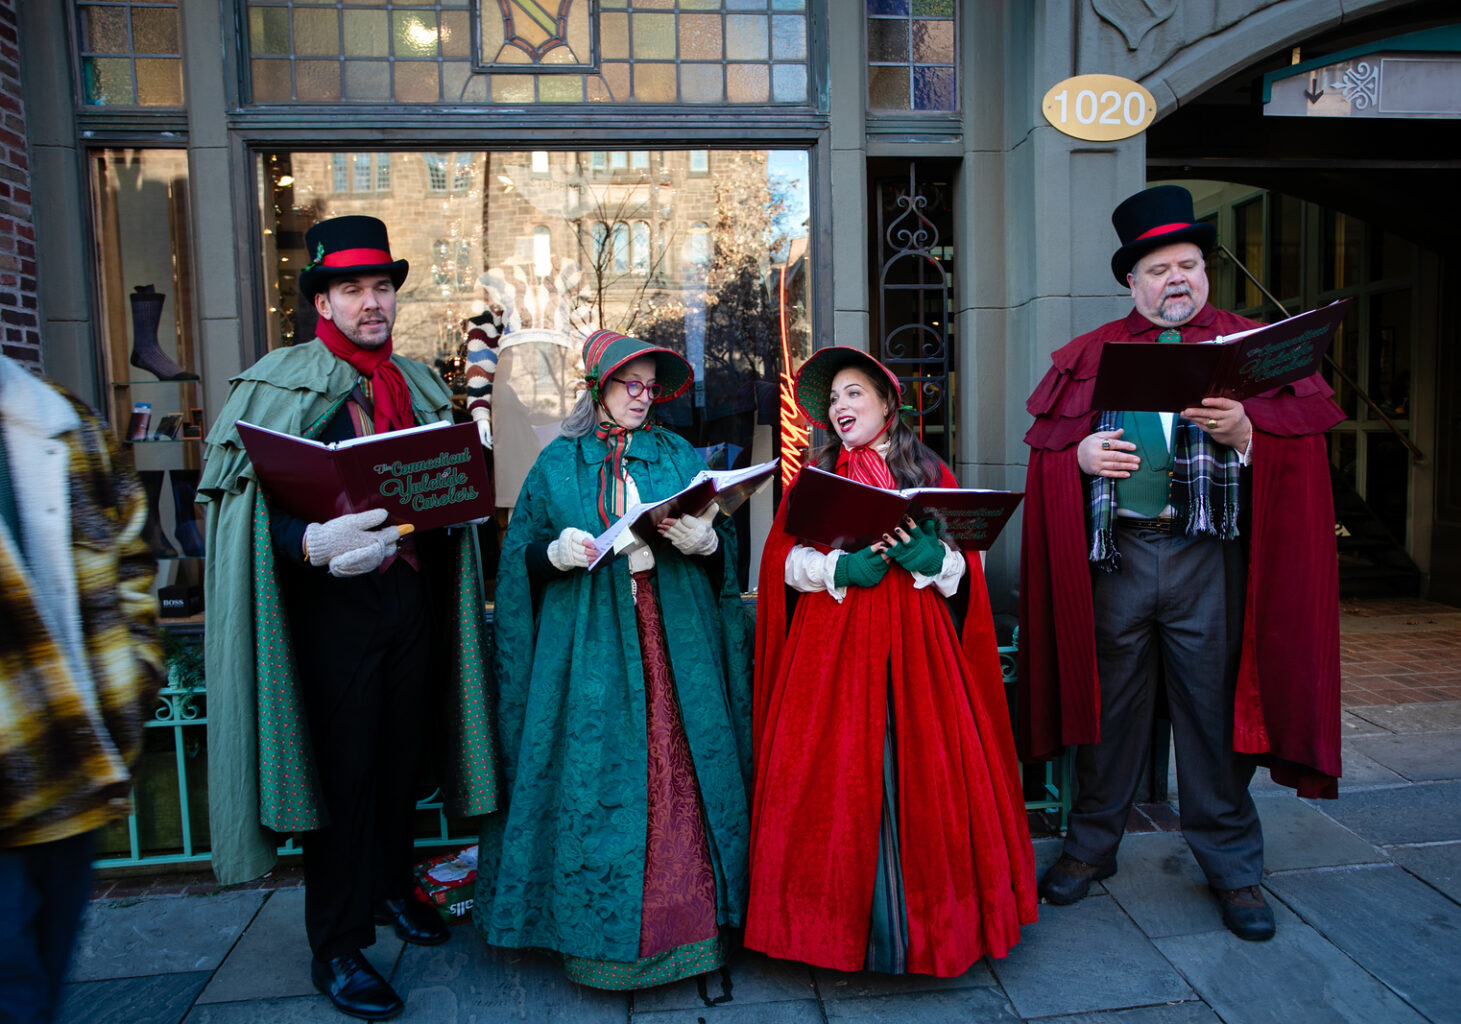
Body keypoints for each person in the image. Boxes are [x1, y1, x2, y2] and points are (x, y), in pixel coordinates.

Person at [1017, 185, 1344, 942]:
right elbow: (1047, 455)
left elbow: (1304, 454)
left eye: (1189, 265)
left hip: (1210, 561)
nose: (1176, 280)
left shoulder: (1253, 348)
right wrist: (1080, 457)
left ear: (1206, 272)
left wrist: (1247, 433)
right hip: (1119, 560)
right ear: (1132, 283)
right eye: (1158, 268)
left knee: (1213, 714)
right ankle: (1091, 847)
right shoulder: (1091, 354)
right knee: (1108, 716)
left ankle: (1232, 867)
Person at [198, 216, 500, 1020]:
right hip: (327, 615)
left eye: (382, 288)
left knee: (402, 759)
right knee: (344, 775)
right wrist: (309, 542)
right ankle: (336, 945)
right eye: (353, 289)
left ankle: (394, 887)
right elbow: (234, 511)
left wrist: (454, 503)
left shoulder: (419, 382)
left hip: (411, 600)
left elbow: (440, 484)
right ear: (323, 302)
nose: (373, 303)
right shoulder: (274, 383)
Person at [475, 329, 753, 990]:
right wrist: (556, 554)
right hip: (589, 655)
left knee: (676, 772)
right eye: (632, 384)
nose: (642, 396)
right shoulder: (557, 464)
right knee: (598, 778)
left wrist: (707, 542)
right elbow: (518, 563)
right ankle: (594, 943)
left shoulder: (677, 454)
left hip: (672, 641)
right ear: (599, 386)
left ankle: (693, 934)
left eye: (652, 387)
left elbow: (725, 549)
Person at [746, 346, 1036, 978]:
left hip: (917, 646)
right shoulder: (814, 476)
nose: (840, 406)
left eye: (854, 393)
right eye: (833, 399)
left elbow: (966, 573)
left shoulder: (929, 471)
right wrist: (836, 567)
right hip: (832, 648)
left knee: (922, 763)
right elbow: (781, 566)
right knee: (837, 767)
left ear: (886, 403)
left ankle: (930, 929)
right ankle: (829, 928)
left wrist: (936, 562)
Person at [0, 354, 163, 1024]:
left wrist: (133, 678)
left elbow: (131, 559)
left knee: (40, 985)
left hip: (72, 774)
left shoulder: (67, 423)